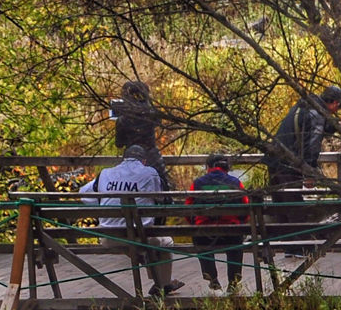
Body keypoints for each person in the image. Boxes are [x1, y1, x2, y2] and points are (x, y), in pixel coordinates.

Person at [79, 144, 179, 296]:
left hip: (108, 237)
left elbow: (84, 194)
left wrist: (103, 205)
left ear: (123, 159)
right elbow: (162, 198)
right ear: (144, 161)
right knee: (164, 242)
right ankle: (163, 286)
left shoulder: (105, 173)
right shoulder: (150, 173)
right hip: (139, 237)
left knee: (142, 246)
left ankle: (159, 279)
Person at [267, 85, 341, 256]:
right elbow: (313, 143)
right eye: (338, 107)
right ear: (334, 103)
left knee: (281, 205)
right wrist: (310, 173)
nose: (336, 111)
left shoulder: (305, 106)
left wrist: (337, 125)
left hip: (274, 159)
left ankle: (288, 246)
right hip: (288, 163)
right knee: (295, 206)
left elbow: (315, 127)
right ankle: (299, 248)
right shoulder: (316, 113)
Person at [186, 155, 249, 291]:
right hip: (231, 232)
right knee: (235, 244)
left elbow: (187, 208)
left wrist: (194, 223)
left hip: (204, 232)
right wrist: (241, 222)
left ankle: (212, 277)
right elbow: (246, 207)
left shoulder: (197, 183)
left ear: (208, 167)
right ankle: (233, 281)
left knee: (200, 239)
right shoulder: (236, 183)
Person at [110, 81, 162, 171]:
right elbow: (158, 121)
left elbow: (119, 143)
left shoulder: (123, 120)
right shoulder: (151, 114)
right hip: (152, 159)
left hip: (130, 161)